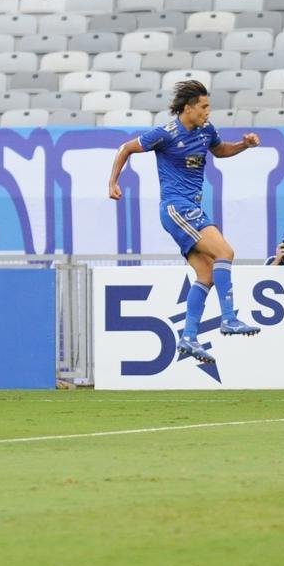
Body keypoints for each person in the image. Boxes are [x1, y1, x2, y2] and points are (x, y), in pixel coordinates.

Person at [107, 79, 261, 364]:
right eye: (203, 107)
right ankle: (228, 318)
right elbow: (126, 148)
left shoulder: (206, 131)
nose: (208, 112)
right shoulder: (165, 134)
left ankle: (189, 337)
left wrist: (243, 145)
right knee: (225, 253)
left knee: (207, 274)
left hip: (190, 208)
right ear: (188, 108)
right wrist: (113, 182)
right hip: (176, 208)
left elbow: (221, 150)